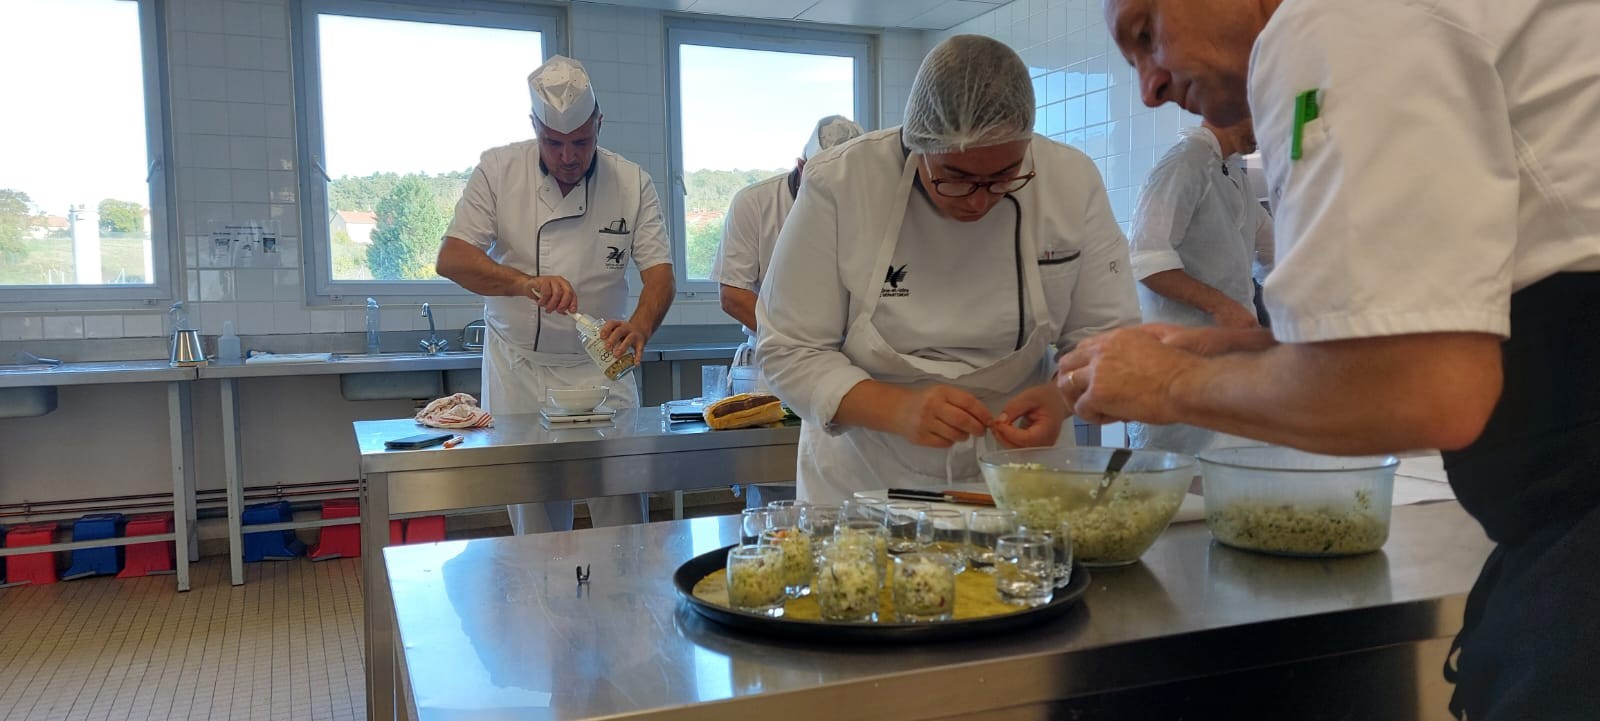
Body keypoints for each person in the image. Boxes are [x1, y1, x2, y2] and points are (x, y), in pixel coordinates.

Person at [1071, 1, 1600, 718]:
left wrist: (1171, 381)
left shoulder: (1332, 19)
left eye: (1145, 33)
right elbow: (1428, 322)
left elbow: (1426, 386)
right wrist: (1226, 343)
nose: (1149, 87)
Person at [757, 35, 1141, 505]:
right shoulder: (841, 184)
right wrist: (898, 410)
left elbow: (1109, 338)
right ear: (918, 145)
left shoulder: (1071, 181)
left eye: (1003, 177)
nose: (979, 200)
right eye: (955, 178)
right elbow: (789, 350)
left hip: (1020, 472)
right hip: (865, 475)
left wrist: (1062, 396)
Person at [436, 55, 675, 534]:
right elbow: (453, 258)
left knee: (622, 515)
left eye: (582, 142)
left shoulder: (631, 183)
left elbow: (660, 276)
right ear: (534, 128)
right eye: (554, 143)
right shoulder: (497, 171)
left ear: (599, 126)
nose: (568, 156)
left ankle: (624, 605)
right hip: (519, 369)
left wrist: (640, 326)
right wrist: (524, 283)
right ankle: (539, 610)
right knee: (534, 517)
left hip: (600, 368)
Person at [1125, 119, 1272, 454]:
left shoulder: (1234, 176)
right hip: (1177, 367)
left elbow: (1272, 254)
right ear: (1236, 106)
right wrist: (1222, 306)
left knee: (1228, 480)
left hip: (1227, 367)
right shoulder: (1184, 163)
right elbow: (1147, 258)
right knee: (1172, 488)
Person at [712, 115, 864, 384]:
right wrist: (800, 343)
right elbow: (733, 295)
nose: (837, 190)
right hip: (768, 361)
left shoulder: (868, 207)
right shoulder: (755, 203)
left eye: (847, 180)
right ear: (801, 166)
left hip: (848, 361)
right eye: (825, 177)